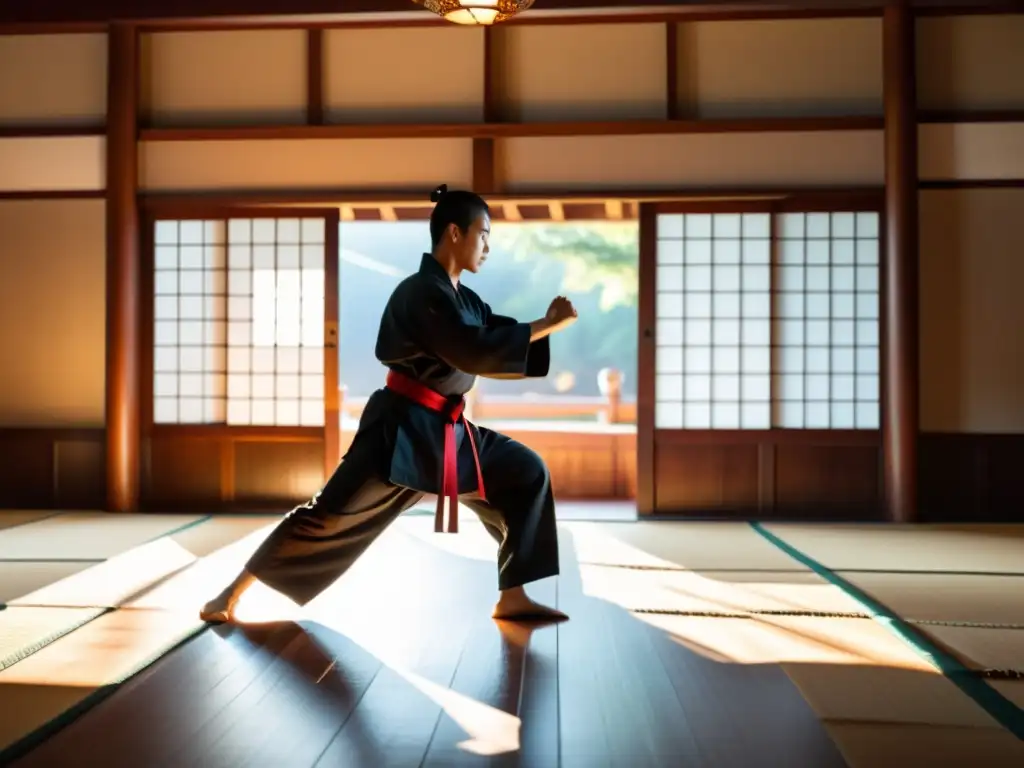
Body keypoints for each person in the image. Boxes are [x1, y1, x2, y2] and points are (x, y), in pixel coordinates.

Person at [200, 183, 578, 624]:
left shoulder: (467, 298)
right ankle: (230, 595)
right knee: (327, 515)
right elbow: (472, 348)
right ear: (454, 233)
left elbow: (495, 338)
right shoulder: (420, 292)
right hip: (399, 432)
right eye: (483, 233)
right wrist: (545, 323)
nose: (488, 246)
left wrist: (545, 328)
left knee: (526, 472)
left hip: (449, 435)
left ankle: (512, 595)